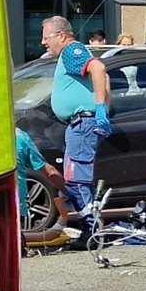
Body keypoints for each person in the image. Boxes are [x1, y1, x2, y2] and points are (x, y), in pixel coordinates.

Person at [41, 15, 111, 247]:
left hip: (82, 124)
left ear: (61, 35)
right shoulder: (73, 54)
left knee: (75, 179)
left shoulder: (72, 50)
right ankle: (92, 229)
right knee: (80, 179)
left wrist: (100, 109)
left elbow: (99, 69)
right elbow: (105, 76)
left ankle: (92, 231)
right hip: (81, 124)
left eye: (46, 37)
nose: (43, 42)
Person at [15, 128, 67, 254]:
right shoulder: (19, 136)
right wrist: (68, 192)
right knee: (14, 242)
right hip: (13, 202)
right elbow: (50, 172)